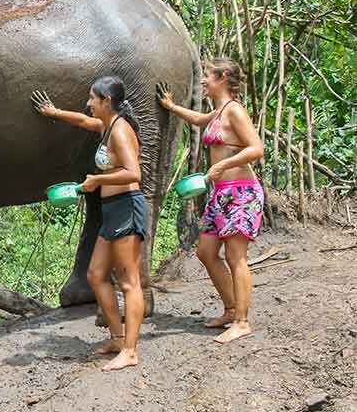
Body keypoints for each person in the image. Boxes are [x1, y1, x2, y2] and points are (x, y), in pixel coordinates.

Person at [32, 76, 147, 372]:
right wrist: (54, 113)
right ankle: (118, 339)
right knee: (96, 275)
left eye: (92, 99)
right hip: (111, 210)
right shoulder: (107, 126)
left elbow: (134, 173)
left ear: (106, 101)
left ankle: (131, 351)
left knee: (129, 283)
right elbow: (84, 122)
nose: (88, 103)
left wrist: (98, 180)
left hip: (126, 209)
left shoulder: (120, 131)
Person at [156, 58, 264, 344]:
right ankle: (230, 309)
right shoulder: (218, 112)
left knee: (235, 256)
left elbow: (256, 148)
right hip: (220, 194)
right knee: (205, 251)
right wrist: (171, 107)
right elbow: (198, 120)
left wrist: (220, 167)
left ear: (223, 77)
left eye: (207, 76)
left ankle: (242, 321)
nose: (202, 81)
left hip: (242, 192)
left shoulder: (235, 112)